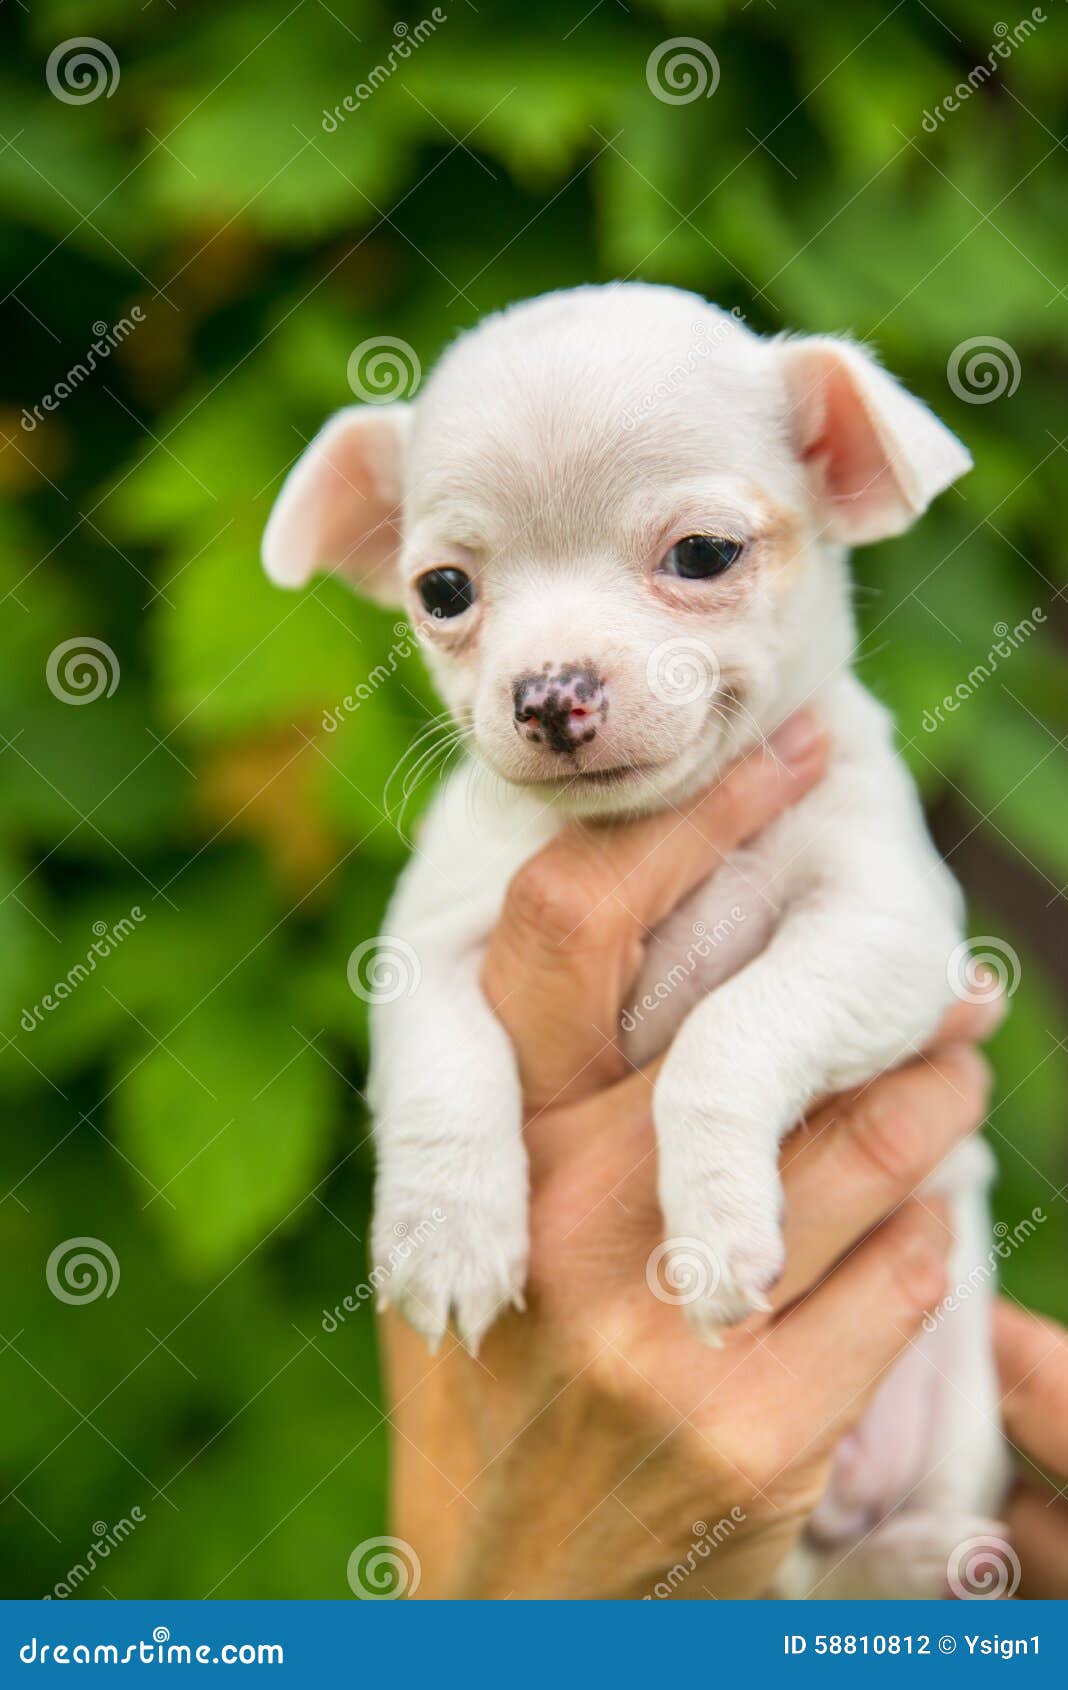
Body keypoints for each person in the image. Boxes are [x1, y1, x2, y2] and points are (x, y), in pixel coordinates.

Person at [381, 711, 1068, 1599]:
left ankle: (873, 1571)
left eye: (703, 560)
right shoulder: (483, 811)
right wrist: (445, 1167)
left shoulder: (838, 756)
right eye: (454, 593)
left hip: (923, 1417)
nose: (559, 684)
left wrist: (721, 1089)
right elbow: (418, 969)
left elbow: (903, 945)